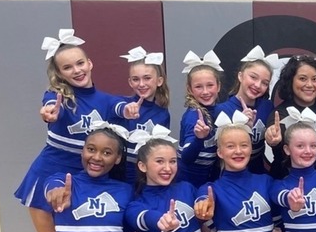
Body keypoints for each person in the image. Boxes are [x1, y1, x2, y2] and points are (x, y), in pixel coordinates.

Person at [15, 29, 131, 232]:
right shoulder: (57, 98)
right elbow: (49, 109)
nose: (76, 70)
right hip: (46, 176)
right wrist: (48, 113)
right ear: (59, 73)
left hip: (86, 180)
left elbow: (120, 108)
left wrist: (130, 109)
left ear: (90, 63)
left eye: (80, 63)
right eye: (67, 67)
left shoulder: (105, 100)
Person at [265, 54, 316, 179]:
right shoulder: (281, 115)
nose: (310, 85)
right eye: (302, 79)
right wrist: (274, 141)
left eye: (315, 79)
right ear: (290, 81)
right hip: (298, 186)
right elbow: (277, 147)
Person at [216, 46, 279, 174]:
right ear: (240, 76)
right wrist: (243, 127)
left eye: (265, 83)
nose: (258, 85)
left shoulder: (267, 106)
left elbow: (273, 141)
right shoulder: (222, 110)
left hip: (258, 175)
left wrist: (273, 139)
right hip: (230, 176)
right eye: (253, 77)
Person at [117, 46, 171, 183]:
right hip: (119, 176)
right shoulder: (122, 105)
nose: (141, 84)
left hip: (146, 178)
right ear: (130, 82)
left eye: (147, 78)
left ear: (159, 81)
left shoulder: (163, 114)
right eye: (136, 79)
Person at [177, 49, 222, 188]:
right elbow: (186, 158)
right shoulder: (193, 116)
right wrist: (199, 139)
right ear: (190, 89)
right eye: (198, 87)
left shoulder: (221, 111)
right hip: (188, 185)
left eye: (210, 85)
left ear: (218, 86)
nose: (205, 92)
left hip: (208, 182)